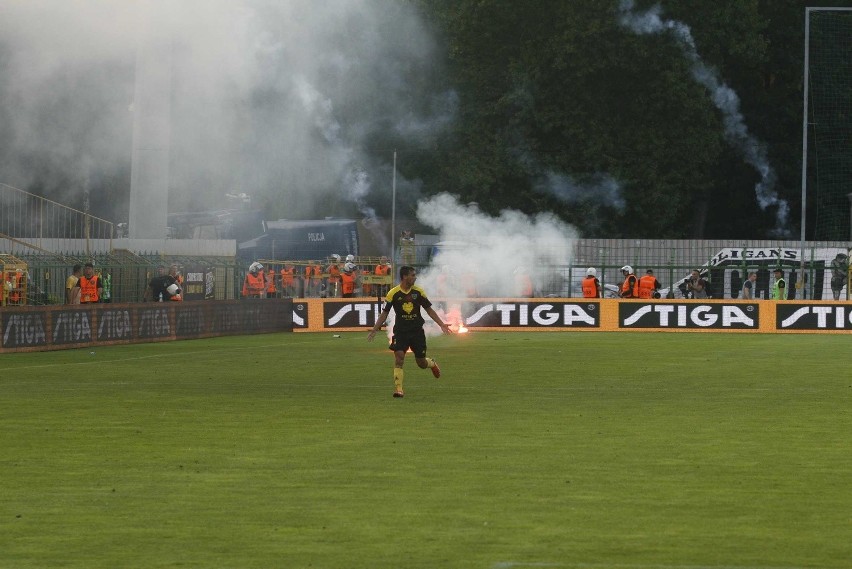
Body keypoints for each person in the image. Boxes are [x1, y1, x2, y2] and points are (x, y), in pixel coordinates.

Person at [367, 265, 452, 398]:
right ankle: (399, 389)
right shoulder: (393, 293)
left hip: (417, 331)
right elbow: (384, 313)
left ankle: (432, 363)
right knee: (399, 358)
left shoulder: (418, 292)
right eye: (412, 275)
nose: (415, 277)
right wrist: (374, 329)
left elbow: (429, 309)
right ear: (405, 277)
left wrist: (441, 324)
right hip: (400, 332)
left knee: (421, 363)